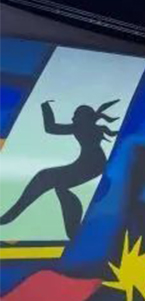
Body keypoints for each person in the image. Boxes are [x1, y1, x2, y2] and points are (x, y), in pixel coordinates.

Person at [0, 99, 119, 239]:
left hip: (90, 164)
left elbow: (51, 128)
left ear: (82, 117)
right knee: (57, 184)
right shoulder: (90, 127)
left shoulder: (80, 127)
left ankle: (72, 229)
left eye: (75, 115)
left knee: (47, 178)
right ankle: (72, 229)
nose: (72, 118)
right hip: (94, 163)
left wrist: (45, 106)